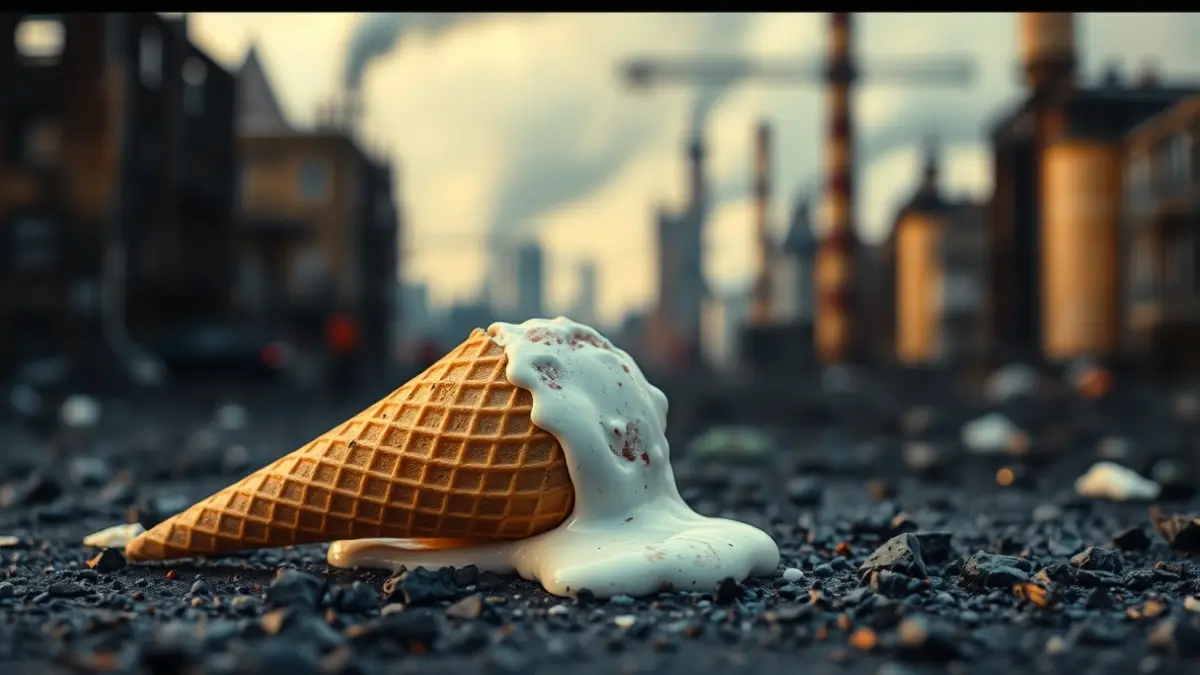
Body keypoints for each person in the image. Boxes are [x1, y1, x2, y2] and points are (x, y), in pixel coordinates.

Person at [326, 311, 359, 392]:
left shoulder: (344, 321)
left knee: (345, 371)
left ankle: (345, 388)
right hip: (340, 349)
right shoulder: (338, 321)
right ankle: (342, 388)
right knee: (341, 371)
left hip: (345, 349)